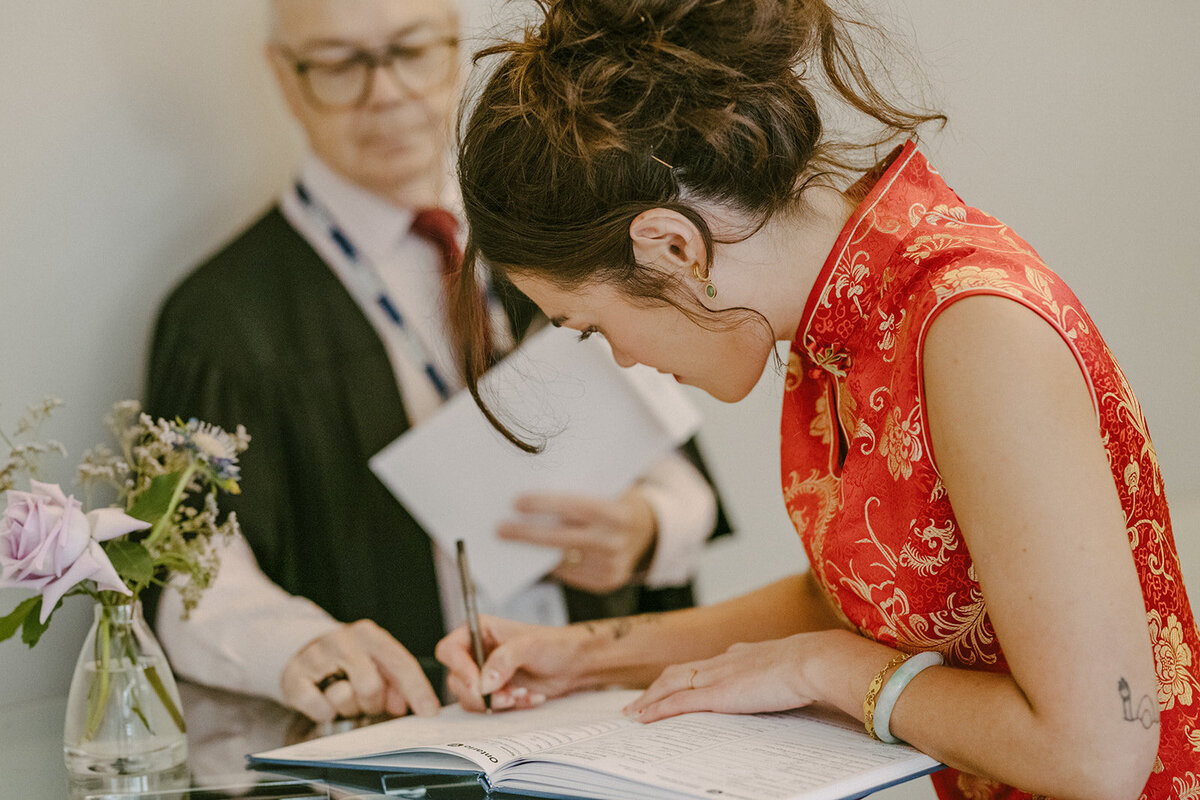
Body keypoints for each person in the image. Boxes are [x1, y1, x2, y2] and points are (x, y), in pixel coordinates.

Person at [435, 1, 1200, 798]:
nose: (624, 358)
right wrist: (581, 655)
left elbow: (1100, 753)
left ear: (672, 247)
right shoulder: (836, 325)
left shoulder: (973, 326)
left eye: (590, 327)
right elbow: (853, 592)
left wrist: (825, 667)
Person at [144, 0, 727, 726]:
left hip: (601, 707)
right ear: (285, 76)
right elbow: (188, 574)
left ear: (454, 49)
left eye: (411, 49)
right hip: (408, 731)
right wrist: (301, 645)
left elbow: (678, 465)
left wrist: (647, 528)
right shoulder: (222, 319)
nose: (384, 92)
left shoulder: (556, 242)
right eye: (337, 64)